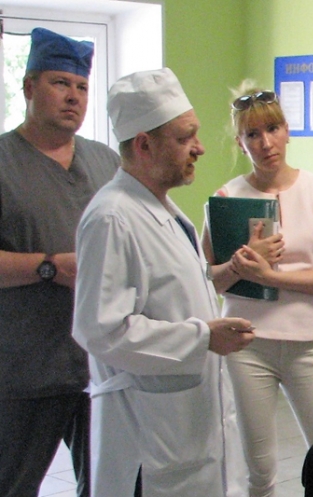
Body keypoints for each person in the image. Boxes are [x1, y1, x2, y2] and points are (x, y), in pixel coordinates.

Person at [72, 68, 253, 497]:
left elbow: (176, 293)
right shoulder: (113, 218)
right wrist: (202, 338)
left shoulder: (164, 212)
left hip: (186, 424)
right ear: (144, 145)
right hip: (147, 437)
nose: (200, 147)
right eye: (185, 137)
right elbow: (100, 330)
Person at [200, 82, 313, 496]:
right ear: (240, 142)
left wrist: (270, 276)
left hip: (310, 344)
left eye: (273, 129)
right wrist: (238, 264)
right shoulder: (225, 198)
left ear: (287, 130)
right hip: (247, 344)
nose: (266, 143)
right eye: (253, 134)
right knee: (259, 471)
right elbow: (206, 279)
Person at [0, 27, 119, 497]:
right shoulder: (4, 162)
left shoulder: (107, 163)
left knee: (109, 484)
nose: (74, 97)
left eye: (82, 87)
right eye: (60, 83)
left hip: (102, 364)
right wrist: (48, 266)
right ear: (29, 87)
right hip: (25, 368)